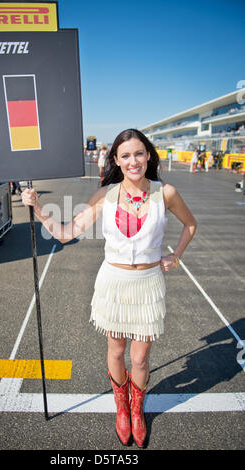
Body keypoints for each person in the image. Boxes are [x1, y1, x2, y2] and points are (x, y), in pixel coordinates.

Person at [21, 129, 197, 448]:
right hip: (113, 284)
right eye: (126, 155)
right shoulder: (105, 195)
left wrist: (176, 255)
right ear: (116, 160)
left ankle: (137, 410)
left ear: (149, 156)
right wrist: (36, 208)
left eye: (139, 153)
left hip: (147, 285)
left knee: (140, 359)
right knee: (116, 351)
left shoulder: (165, 193)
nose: (133, 161)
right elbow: (65, 233)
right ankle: (121, 409)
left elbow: (191, 224)